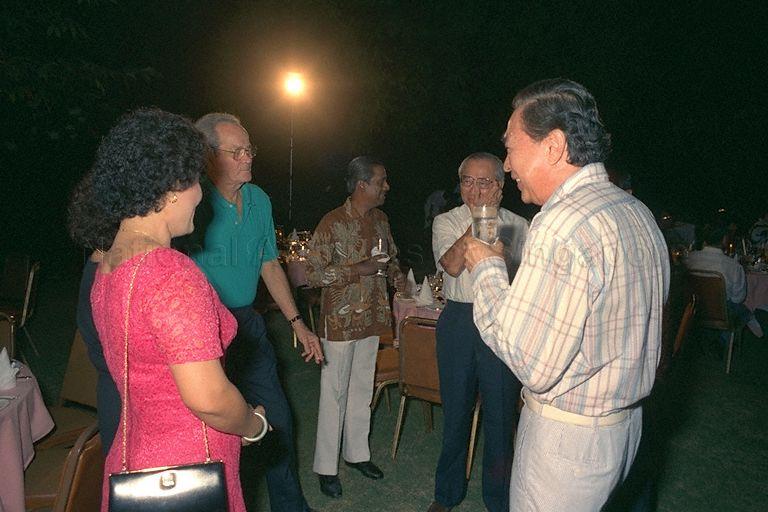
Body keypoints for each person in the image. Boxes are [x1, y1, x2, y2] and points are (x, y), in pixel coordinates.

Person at [463, 79, 670, 511]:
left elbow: (530, 361)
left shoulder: (561, 222)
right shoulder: (635, 210)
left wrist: (485, 267)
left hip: (570, 441)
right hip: (626, 426)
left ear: (553, 146)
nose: (507, 163)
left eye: (511, 147)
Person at [68, 108, 267, 512]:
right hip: (188, 469)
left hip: (134, 459)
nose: (201, 194)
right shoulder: (168, 273)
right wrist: (253, 424)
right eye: (195, 180)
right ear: (174, 187)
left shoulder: (107, 265)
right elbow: (209, 398)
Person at [182, 112, 322, 512]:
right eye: (237, 151)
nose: (248, 158)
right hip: (203, 329)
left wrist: (298, 323)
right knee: (218, 432)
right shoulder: (194, 201)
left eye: (250, 149)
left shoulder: (259, 199)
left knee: (278, 417)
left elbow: (269, 263)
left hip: (247, 324)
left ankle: (290, 506)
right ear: (209, 157)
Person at [427, 153, 527, 512]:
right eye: (468, 181)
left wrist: (495, 221)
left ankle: (499, 500)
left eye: (484, 182)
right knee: (456, 413)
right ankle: (446, 493)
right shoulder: (447, 221)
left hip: (501, 320)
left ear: (500, 186)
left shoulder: (518, 226)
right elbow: (452, 266)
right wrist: (481, 220)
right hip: (458, 320)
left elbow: (517, 279)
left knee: (501, 417)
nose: (474, 189)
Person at [305, 156, 405, 498]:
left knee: (363, 389)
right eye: (381, 181)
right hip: (340, 321)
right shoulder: (332, 223)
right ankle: (326, 467)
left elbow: (391, 259)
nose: (386, 187)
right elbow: (312, 275)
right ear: (362, 185)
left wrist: (399, 278)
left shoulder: (381, 220)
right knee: (334, 393)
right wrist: (356, 269)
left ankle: (357, 454)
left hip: (373, 318)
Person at [685, 224, 763, 338]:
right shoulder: (733, 266)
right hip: (720, 314)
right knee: (737, 308)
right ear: (724, 240)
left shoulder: (688, 259)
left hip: (692, 311)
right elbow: (738, 298)